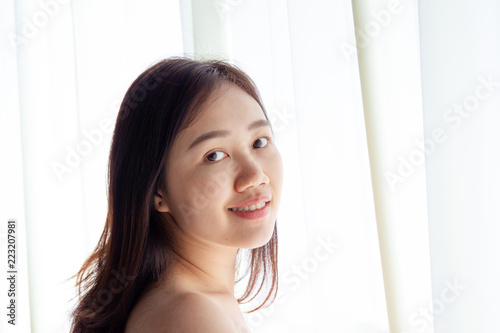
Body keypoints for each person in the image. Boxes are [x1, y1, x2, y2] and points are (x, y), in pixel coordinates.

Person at [69, 57, 284, 332]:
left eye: (259, 141)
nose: (255, 176)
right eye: (214, 155)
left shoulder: (196, 304)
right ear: (158, 190)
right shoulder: (190, 315)